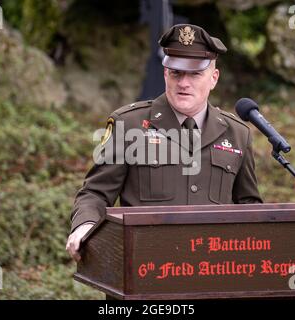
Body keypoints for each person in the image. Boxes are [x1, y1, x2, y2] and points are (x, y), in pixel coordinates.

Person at [66, 24, 262, 261]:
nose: (183, 83)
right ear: (165, 74)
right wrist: (85, 225)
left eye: (195, 73)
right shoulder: (129, 125)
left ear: (214, 78)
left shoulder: (237, 134)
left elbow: (249, 206)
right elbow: (95, 193)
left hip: (214, 270)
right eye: (176, 72)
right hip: (143, 266)